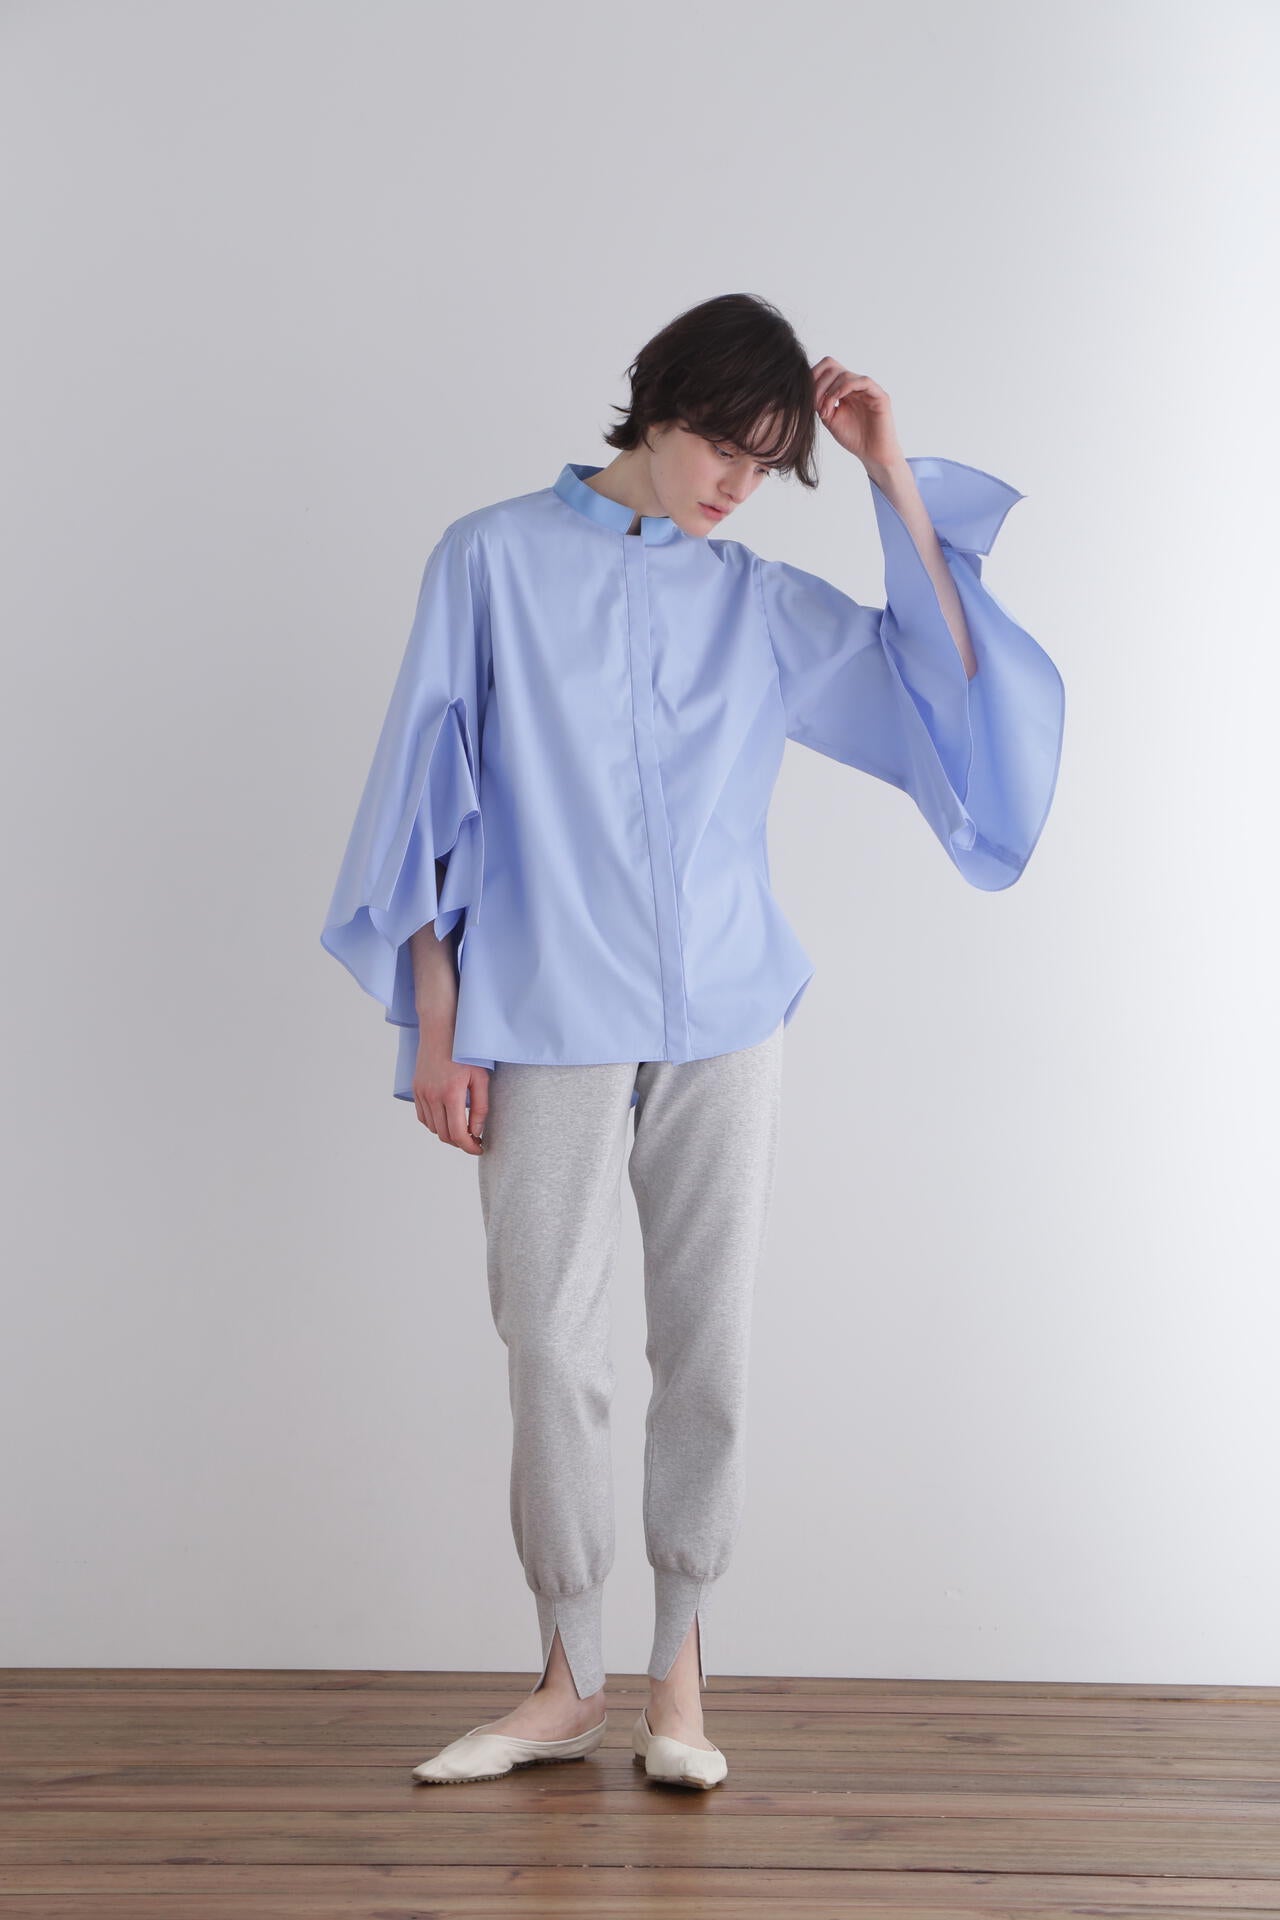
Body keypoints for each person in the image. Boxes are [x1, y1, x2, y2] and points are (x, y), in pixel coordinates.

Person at [320, 292, 1065, 1790]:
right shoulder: (488, 559)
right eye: (724, 444)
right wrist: (440, 1023)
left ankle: (678, 1674)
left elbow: (952, 676)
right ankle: (567, 1675)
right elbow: (422, 790)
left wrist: (886, 470)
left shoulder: (756, 601)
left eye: (768, 463)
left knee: (707, 1342)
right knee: (549, 1338)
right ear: (658, 405)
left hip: (727, 1010)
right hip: (545, 1007)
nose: (736, 482)